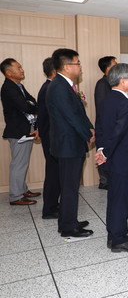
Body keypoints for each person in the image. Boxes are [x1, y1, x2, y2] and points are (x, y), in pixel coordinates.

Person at [95, 63, 128, 252]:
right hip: (123, 160)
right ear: (123, 81)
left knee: (115, 198)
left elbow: (99, 126)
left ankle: (115, 233)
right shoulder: (123, 102)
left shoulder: (108, 100)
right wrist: (105, 152)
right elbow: (118, 132)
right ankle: (119, 240)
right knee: (122, 200)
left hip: (113, 159)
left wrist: (101, 150)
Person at [46, 48, 94, 238]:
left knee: (70, 186)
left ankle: (67, 220)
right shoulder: (59, 87)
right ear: (67, 66)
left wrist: (89, 127)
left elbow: (79, 113)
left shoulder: (65, 84)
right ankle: (68, 228)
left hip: (70, 144)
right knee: (69, 187)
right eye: (77, 63)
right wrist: (87, 135)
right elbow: (71, 117)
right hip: (68, 145)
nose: (80, 67)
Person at [1, 58, 40, 206]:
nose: (22, 70)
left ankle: (22, 190)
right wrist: (30, 105)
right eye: (18, 68)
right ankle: (15, 196)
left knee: (23, 162)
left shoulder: (18, 86)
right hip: (18, 131)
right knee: (18, 163)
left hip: (25, 129)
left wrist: (31, 104)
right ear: (9, 72)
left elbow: (33, 101)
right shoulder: (8, 88)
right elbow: (26, 106)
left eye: (21, 67)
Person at [37, 58, 60, 219]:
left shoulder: (50, 87)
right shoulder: (49, 88)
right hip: (51, 138)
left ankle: (53, 205)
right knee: (53, 173)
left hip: (50, 137)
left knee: (55, 173)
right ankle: (50, 209)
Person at [94, 56, 117, 190]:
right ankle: (105, 181)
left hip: (111, 126)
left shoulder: (112, 83)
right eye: (115, 64)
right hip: (106, 127)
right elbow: (103, 108)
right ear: (108, 67)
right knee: (104, 151)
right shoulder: (102, 84)